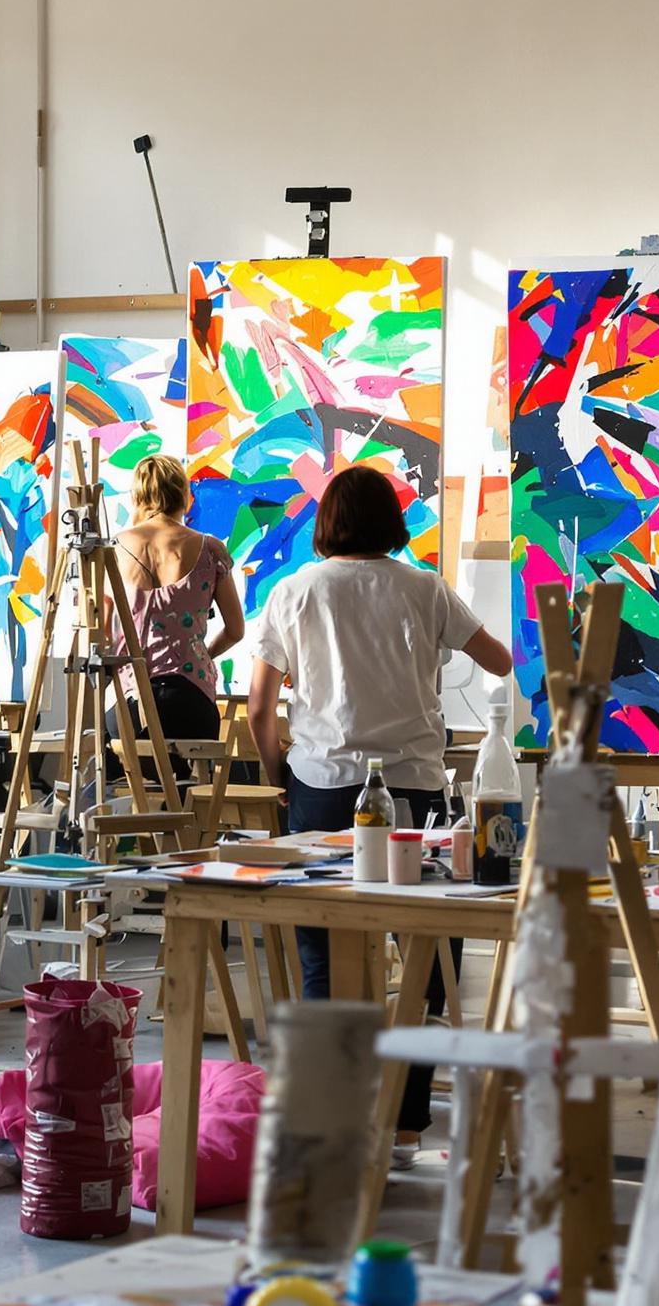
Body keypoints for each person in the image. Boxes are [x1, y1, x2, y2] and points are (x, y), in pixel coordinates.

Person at [250, 464, 510, 1166]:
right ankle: (404, 1125)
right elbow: (503, 659)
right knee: (428, 952)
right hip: (414, 788)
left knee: (321, 955)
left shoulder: (293, 591)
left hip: (322, 786)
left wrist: (282, 780)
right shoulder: (424, 588)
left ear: (328, 523)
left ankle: (331, 1121)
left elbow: (258, 709)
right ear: (391, 522)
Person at [107, 454, 245, 773]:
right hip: (192, 701)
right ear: (183, 495)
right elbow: (236, 629)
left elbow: (99, 632)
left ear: (138, 496)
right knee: (185, 786)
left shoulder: (112, 550)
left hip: (132, 701)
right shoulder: (210, 550)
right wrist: (203, 655)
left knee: (125, 775)